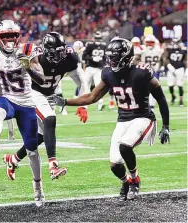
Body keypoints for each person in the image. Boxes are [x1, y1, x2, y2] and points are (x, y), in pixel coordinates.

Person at [50, 38, 170, 200]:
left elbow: (161, 98)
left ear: (126, 57)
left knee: (125, 147)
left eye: (115, 56)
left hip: (143, 118)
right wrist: (65, 102)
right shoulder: (108, 73)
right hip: (123, 119)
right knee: (115, 164)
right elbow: (92, 97)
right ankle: (125, 182)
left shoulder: (142, 73)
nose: (111, 60)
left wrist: (166, 125)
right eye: (110, 56)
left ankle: (135, 180)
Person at [0, 20, 45, 207]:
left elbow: (42, 79)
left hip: (27, 103)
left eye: (12, 35)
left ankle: (38, 189)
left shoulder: (29, 49)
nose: (10, 39)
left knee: (32, 149)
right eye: (6, 36)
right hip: (7, 97)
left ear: (18, 36)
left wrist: (28, 66)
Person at [3, 32, 89, 181]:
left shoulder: (69, 57)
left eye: (62, 50)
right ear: (47, 51)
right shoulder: (36, 56)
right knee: (50, 118)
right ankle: (53, 166)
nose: (61, 54)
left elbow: (81, 80)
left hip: (49, 95)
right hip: (32, 93)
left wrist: (83, 105)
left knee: (43, 136)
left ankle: (14, 159)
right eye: (57, 52)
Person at [82, 31, 107, 111]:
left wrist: (103, 62)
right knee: (86, 86)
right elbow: (84, 56)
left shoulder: (104, 46)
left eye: (99, 38)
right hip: (90, 68)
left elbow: (106, 57)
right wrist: (92, 58)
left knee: (98, 87)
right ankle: (84, 104)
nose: (98, 40)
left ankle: (101, 103)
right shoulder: (90, 45)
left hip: (99, 69)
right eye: (97, 38)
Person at [140, 34, 164, 111]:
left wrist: (161, 67)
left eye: (151, 42)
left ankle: (152, 106)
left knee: (154, 89)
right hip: (143, 71)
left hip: (154, 71)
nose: (149, 44)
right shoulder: (142, 49)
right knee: (142, 89)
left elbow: (162, 60)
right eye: (148, 42)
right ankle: (145, 104)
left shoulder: (158, 50)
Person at [163, 37, 187, 106]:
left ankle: (181, 100)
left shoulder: (183, 50)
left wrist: (186, 69)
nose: (175, 44)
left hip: (180, 68)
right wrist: (169, 66)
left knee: (180, 85)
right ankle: (173, 96)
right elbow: (165, 58)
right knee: (170, 85)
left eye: (177, 42)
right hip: (171, 69)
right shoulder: (169, 49)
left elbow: (186, 60)